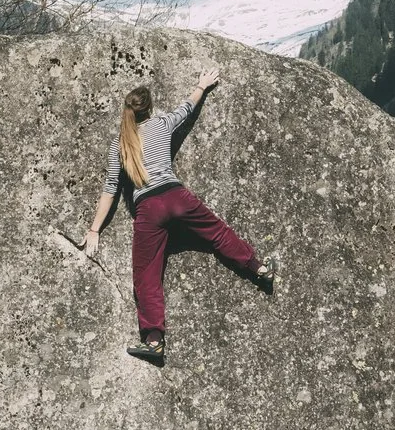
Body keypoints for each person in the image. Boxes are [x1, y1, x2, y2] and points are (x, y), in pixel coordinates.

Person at [82, 69, 273, 365]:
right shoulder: (160, 124)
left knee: (147, 275)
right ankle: (258, 268)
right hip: (176, 196)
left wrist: (94, 229)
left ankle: (154, 341)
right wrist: (202, 85)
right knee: (218, 234)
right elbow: (187, 108)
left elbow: (110, 190)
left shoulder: (118, 145)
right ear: (150, 108)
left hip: (149, 208)